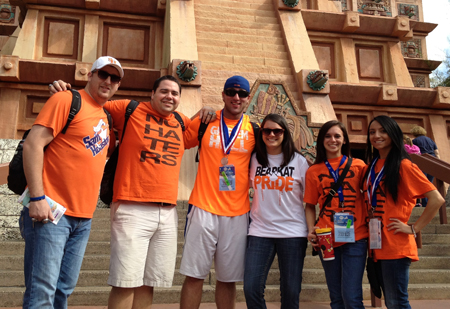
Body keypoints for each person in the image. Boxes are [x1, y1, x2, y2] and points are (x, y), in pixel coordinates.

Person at [49, 75, 215, 309]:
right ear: (152, 94)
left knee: (148, 283)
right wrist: (65, 91)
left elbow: (200, 129)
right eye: (164, 91)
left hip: (167, 212)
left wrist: (205, 110)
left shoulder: (180, 121)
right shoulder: (129, 109)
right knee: (125, 282)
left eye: (175, 93)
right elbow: (91, 102)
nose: (169, 96)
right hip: (131, 207)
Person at [21, 56, 122, 308]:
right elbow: (33, 145)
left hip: (83, 217)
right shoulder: (67, 99)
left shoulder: (106, 117)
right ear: (90, 75)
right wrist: (37, 197)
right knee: (41, 291)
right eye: (103, 74)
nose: (108, 81)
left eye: (115, 78)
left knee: (63, 290)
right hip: (51, 210)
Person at [179, 75, 256, 309]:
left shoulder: (255, 129)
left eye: (241, 94)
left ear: (247, 99)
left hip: (237, 213)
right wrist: (195, 115)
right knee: (194, 276)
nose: (236, 97)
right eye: (231, 92)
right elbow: (177, 138)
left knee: (228, 279)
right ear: (222, 95)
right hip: (203, 208)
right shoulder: (206, 122)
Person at [364, 115, 444, 309]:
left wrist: (413, 228)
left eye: (383, 131)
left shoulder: (404, 165)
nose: (377, 136)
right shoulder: (372, 166)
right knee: (392, 302)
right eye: (372, 132)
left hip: (397, 246)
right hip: (377, 244)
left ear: (393, 134)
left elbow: (436, 199)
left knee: (397, 302)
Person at [244, 114, 309, 309]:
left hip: (293, 232)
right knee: (251, 288)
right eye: (266, 130)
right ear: (261, 133)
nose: (271, 134)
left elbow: (311, 198)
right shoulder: (254, 159)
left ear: (285, 133)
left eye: (277, 131)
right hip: (260, 231)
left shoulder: (299, 161)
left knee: (290, 291)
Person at [304, 120, 368, 309]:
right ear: (322, 141)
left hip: (356, 236)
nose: (333, 140)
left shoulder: (359, 166)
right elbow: (309, 205)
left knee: (351, 297)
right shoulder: (314, 171)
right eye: (328, 136)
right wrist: (311, 230)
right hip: (326, 238)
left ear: (345, 140)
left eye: (337, 136)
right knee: (336, 298)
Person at [410, 125, 440, 207]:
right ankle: (431, 202)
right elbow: (436, 152)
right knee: (430, 183)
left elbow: (414, 152)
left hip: (422, 162)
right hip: (433, 161)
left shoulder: (415, 141)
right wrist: (438, 163)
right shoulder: (430, 140)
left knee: (422, 183)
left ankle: (425, 203)